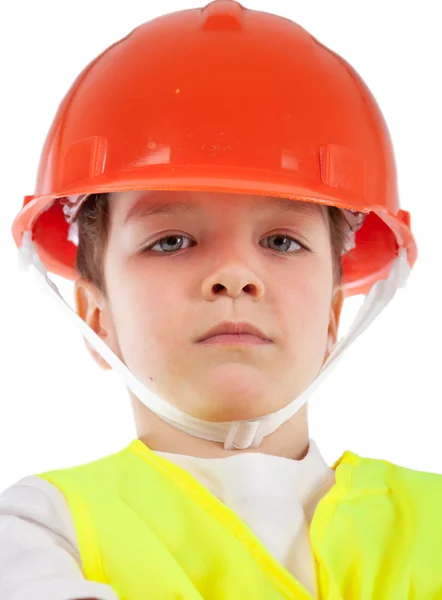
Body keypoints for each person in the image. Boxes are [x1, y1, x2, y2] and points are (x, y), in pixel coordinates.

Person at [4, 1, 441, 599]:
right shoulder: (40, 530)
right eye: (172, 240)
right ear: (96, 319)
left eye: (282, 241)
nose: (234, 274)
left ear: (335, 316)